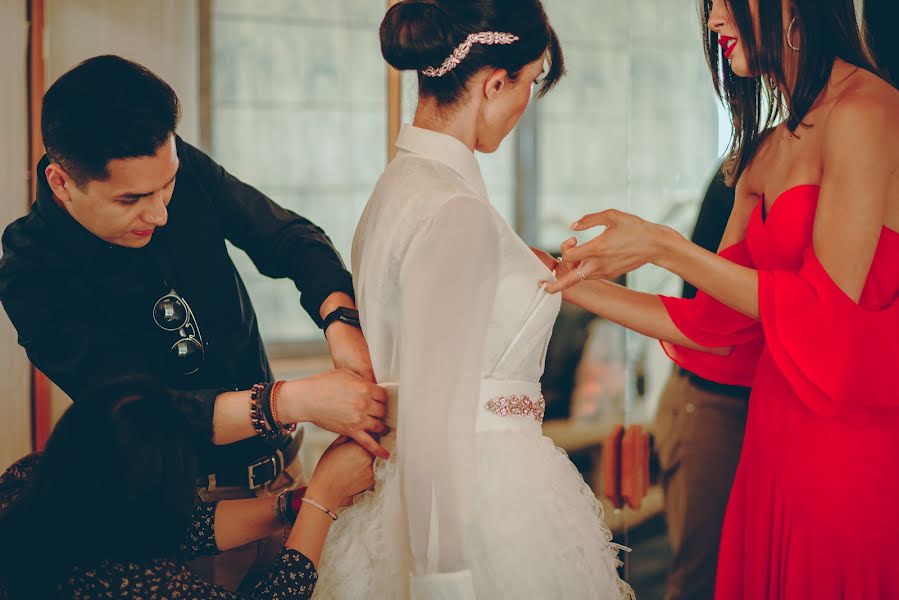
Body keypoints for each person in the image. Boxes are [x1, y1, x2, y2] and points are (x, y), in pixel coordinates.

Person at [543, 0, 899, 597]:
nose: (712, 22)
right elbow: (713, 325)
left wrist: (662, 246)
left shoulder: (869, 111)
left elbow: (822, 313)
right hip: (769, 446)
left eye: (727, 4)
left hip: (848, 458)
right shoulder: (762, 153)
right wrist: (569, 282)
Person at [0, 55, 389, 590]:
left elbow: (289, 239)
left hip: (284, 477)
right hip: (181, 513)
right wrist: (291, 401)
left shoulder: (170, 168)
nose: (160, 213)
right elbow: (149, 410)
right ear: (62, 182)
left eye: (168, 188)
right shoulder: (31, 272)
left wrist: (341, 325)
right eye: (132, 200)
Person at [312, 2, 633, 599]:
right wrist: (447, 582)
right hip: (478, 503)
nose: (524, 103)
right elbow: (437, 415)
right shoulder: (455, 210)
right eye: (531, 82)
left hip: (415, 488)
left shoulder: (397, 187)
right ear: (493, 84)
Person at [0, 376, 375, 599]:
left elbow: (178, 528)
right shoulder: (139, 586)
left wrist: (289, 506)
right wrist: (321, 502)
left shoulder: (32, 479)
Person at [653, 167, 750, 600]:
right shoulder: (752, 163)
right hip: (712, 399)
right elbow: (703, 314)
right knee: (703, 579)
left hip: (766, 405)